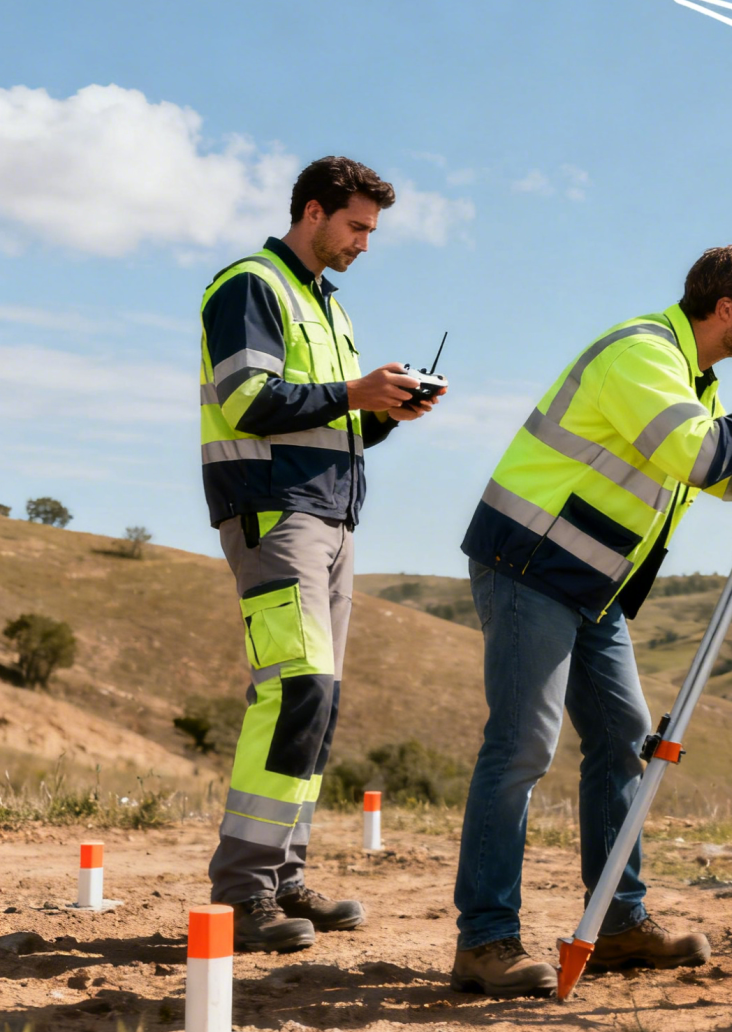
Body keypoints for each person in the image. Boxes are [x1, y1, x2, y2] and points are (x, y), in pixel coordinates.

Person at [449, 244, 732, 997]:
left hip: (592, 582)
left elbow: (727, 481)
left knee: (625, 740)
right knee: (522, 748)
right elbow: (701, 457)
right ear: (725, 309)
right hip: (531, 563)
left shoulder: (693, 376)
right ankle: (484, 940)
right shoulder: (641, 355)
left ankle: (618, 923)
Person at [199, 156, 445, 951]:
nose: (365, 244)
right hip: (276, 514)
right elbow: (247, 400)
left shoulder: (327, 307)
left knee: (318, 701)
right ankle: (243, 892)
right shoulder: (251, 285)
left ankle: (282, 876)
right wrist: (354, 393)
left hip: (334, 517)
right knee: (293, 691)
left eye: (372, 230)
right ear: (313, 212)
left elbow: (328, 417)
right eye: (356, 227)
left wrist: (384, 413)